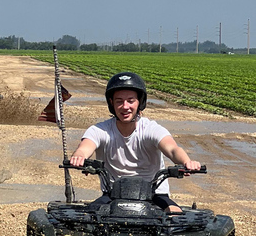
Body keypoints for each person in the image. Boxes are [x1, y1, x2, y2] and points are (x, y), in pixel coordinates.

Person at [69, 72, 200, 214]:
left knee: (175, 215)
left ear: (139, 102)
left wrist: (186, 162)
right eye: (119, 101)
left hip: (155, 194)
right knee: (89, 217)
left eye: (130, 101)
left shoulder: (151, 129)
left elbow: (173, 149)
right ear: (111, 103)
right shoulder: (100, 130)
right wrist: (80, 157)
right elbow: (85, 147)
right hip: (113, 194)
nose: (125, 107)